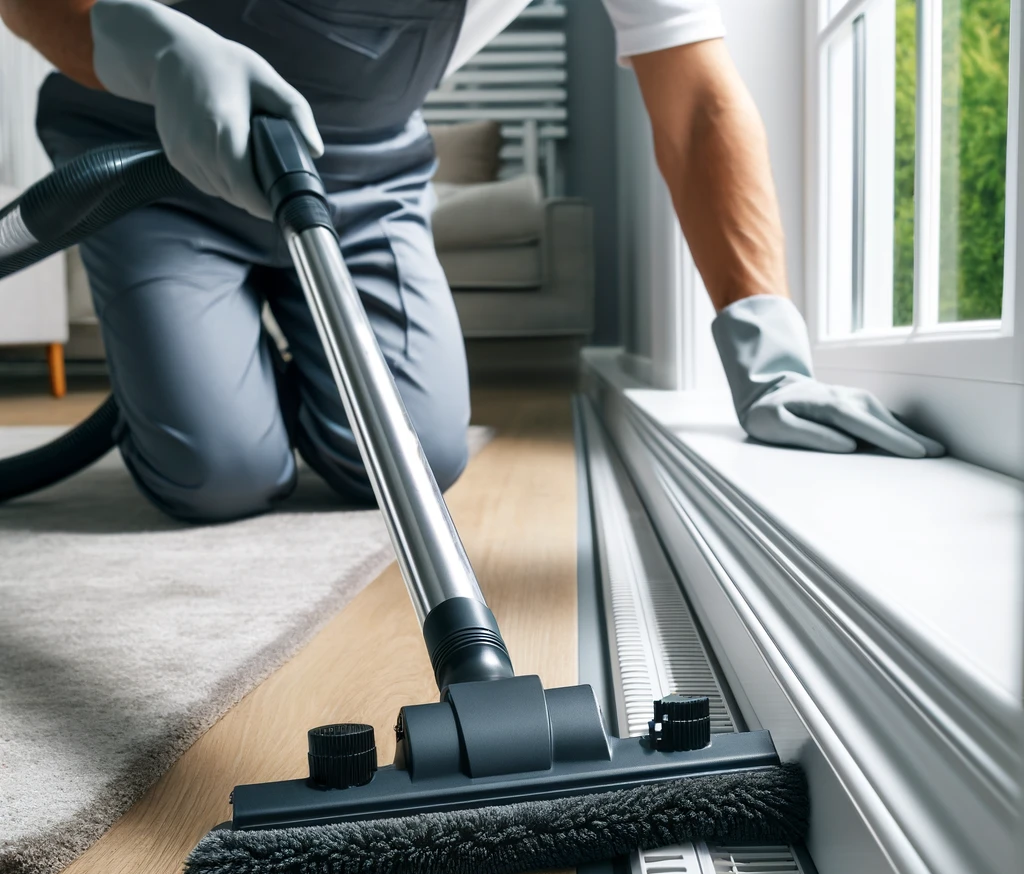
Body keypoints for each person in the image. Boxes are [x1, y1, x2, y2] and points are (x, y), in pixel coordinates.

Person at [0, 0, 943, 523]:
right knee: (219, 476)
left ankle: (208, 369)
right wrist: (155, 44)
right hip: (149, 156)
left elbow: (696, 102)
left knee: (411, 457)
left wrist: (766, 348)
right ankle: (190, 387)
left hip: (351, 175)